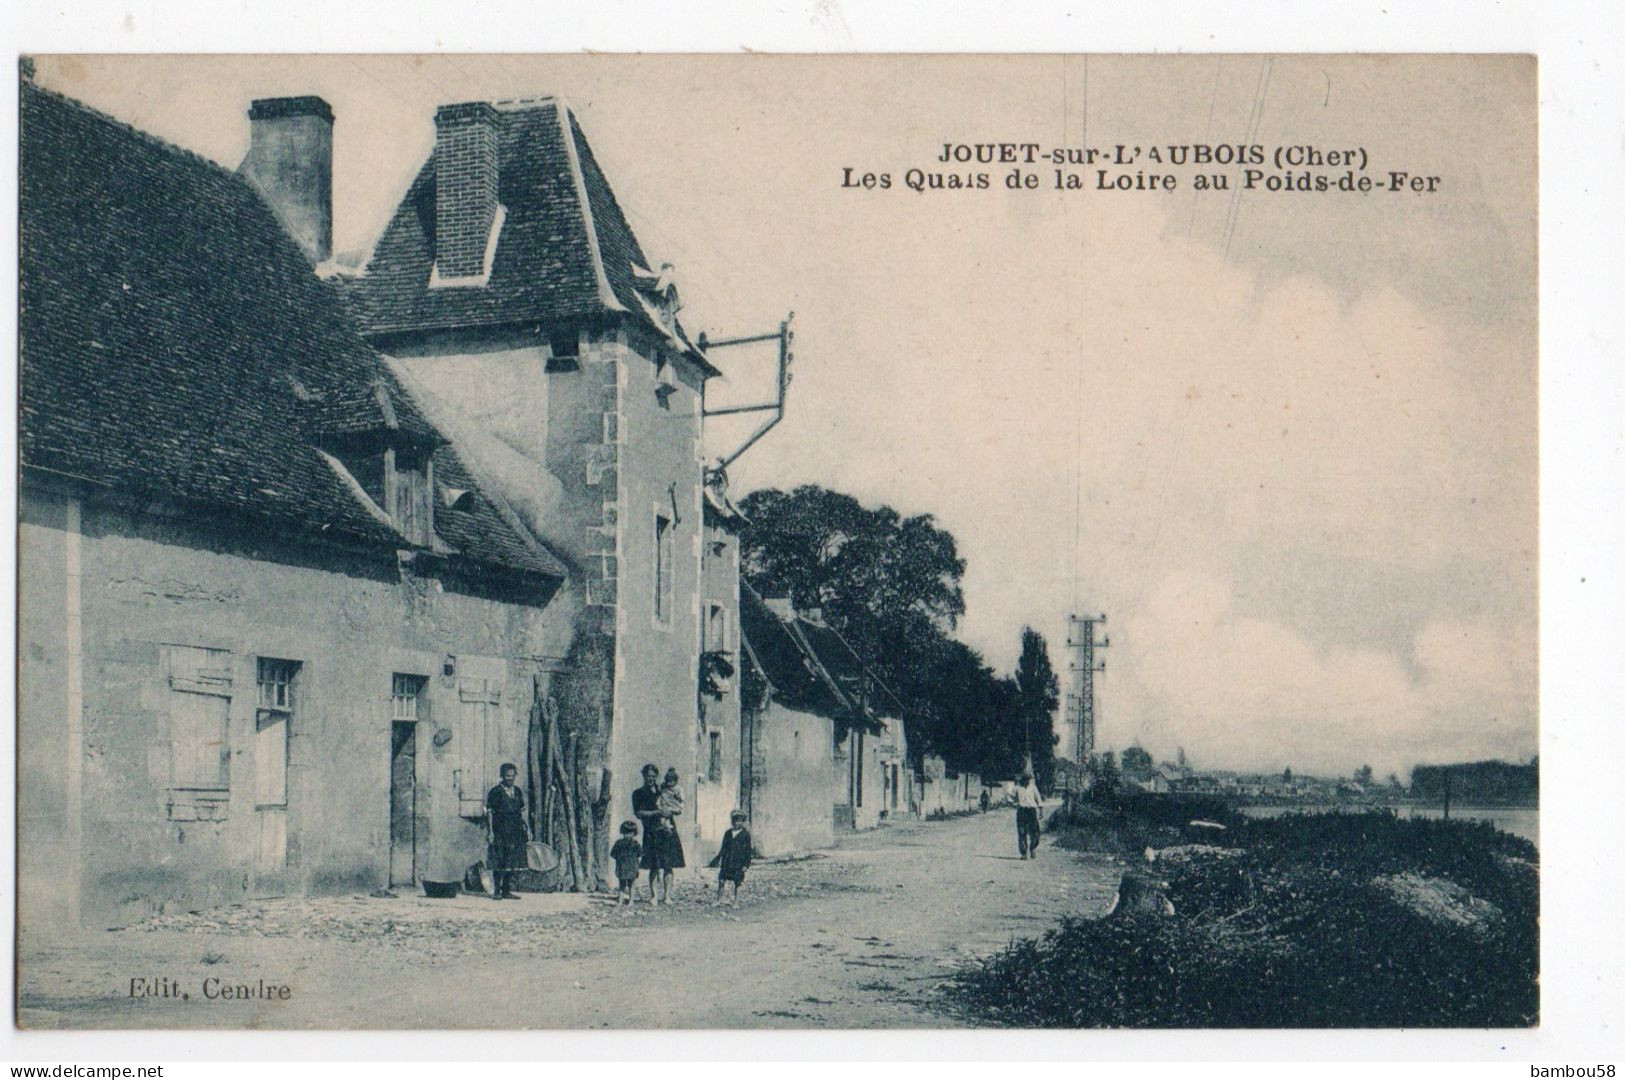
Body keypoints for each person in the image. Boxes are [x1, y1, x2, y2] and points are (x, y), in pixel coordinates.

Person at [485, 762, 529, 899]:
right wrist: (491, 831)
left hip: (515, 829)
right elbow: (490, 812)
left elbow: (522, 812)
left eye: (512, 776)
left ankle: (506, 890)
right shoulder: (495, 792)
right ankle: (497, 891)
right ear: (502, 776)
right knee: (499, 860)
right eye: (507, 776)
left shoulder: (518, 792)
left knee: (512, 860)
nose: (510, 779)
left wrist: (528, 828)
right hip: (500, 830)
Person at [708, 809, 753, 905]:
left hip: (738, 862)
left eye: (739, 821)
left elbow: (748, 851)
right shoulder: (728, 833)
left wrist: (746, 865)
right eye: (735, 820)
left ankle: (736, 902)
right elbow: (723, 847)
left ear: (743, 822)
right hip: (727, 861)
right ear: (732, 821)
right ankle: (719, 900)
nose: (737, 823)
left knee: (738, 882)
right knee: (721, 880)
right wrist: (719, 858)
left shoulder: (745, 835)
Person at [610, 820, 643, 907]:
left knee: (632, 885)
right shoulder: (618, 843)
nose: (627, 835)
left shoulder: (636, 844)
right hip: (621, 867)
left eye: (630, 833)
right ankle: (620, 901)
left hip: (632, 867)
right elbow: (613, 854)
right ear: (622, 833)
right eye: (625, 833)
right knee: (622, 885)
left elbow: (640, 853)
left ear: (634, 833)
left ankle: (631, 901)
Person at [1014, 771, 1044, 860]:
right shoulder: (1017, 788)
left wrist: (1041, 811)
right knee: (1022, 832)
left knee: (1035, 832)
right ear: (1022, 779)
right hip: (1022, 811)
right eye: (1025, 779)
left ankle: (1033, 848)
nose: (1027, 781)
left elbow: (1039, 799)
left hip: (1032, 811)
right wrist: (1015, 803)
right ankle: (1023, 853)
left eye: (1029, 779)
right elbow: (1012, 799)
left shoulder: (1033, 788)